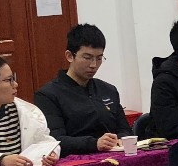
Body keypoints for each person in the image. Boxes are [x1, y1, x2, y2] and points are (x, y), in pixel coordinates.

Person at [34, 22, 131, 156]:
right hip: (76, 161)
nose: (93, 65)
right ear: (70, 56)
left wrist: (121, 139)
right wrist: (94, 144)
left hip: (115, 156)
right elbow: (55, 141)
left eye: (99, 58)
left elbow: (125, 130)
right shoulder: (48, 95)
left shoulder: (108, 90)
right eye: (87, 58)